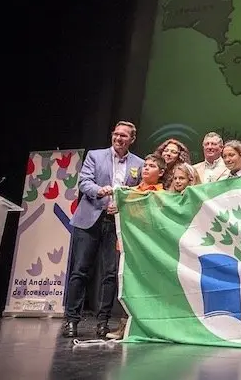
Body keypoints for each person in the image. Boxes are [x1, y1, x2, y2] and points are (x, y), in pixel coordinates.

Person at [62, 121, 144, 338]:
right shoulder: (95, 156)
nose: (119, 139)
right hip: (90, 219)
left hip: (116, 223)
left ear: (132, 140)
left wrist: (125, 201)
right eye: (116, 134)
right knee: (80, 270)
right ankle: (71, 320)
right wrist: (101, 191)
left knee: (110, 274)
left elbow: (138, 191)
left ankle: (103, 321)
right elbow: (84, 182)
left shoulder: (139, 163)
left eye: (124, 136)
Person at [106, 153, 166, 340]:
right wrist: (116, 209)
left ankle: (148, 326)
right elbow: (122, 213)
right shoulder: (129, 192)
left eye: (152, 166)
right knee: (127, 285)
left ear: (162, 172)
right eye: (145, 165)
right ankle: (124, 326)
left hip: (147, 247)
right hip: (127, 246)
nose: (146, 168)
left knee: (146, 286)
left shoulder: (161, 194)